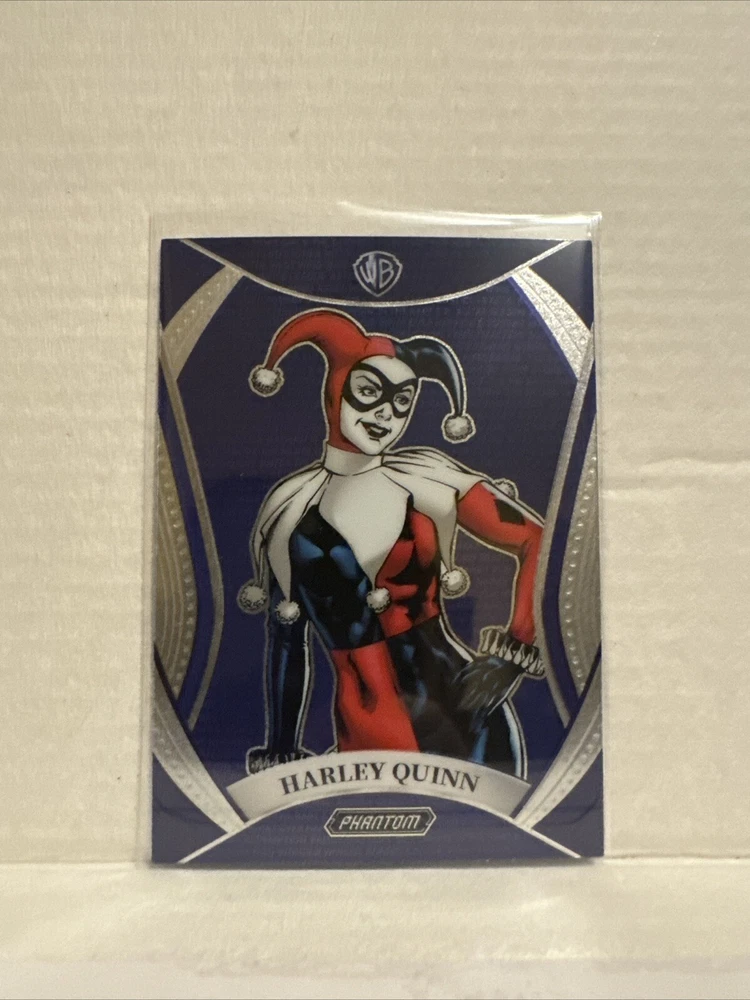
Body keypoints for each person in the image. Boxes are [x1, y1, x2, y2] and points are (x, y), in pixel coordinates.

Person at [238, 309, 544, 778]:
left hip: (466, 722)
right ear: (336, 390)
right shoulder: (289, 510)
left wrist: (510, 656)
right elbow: (287, 640)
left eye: (402, 401)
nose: (386, 413)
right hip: (359, 738)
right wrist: (282, 748)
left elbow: (537, 540)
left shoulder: (429, 479)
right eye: (369, 391)